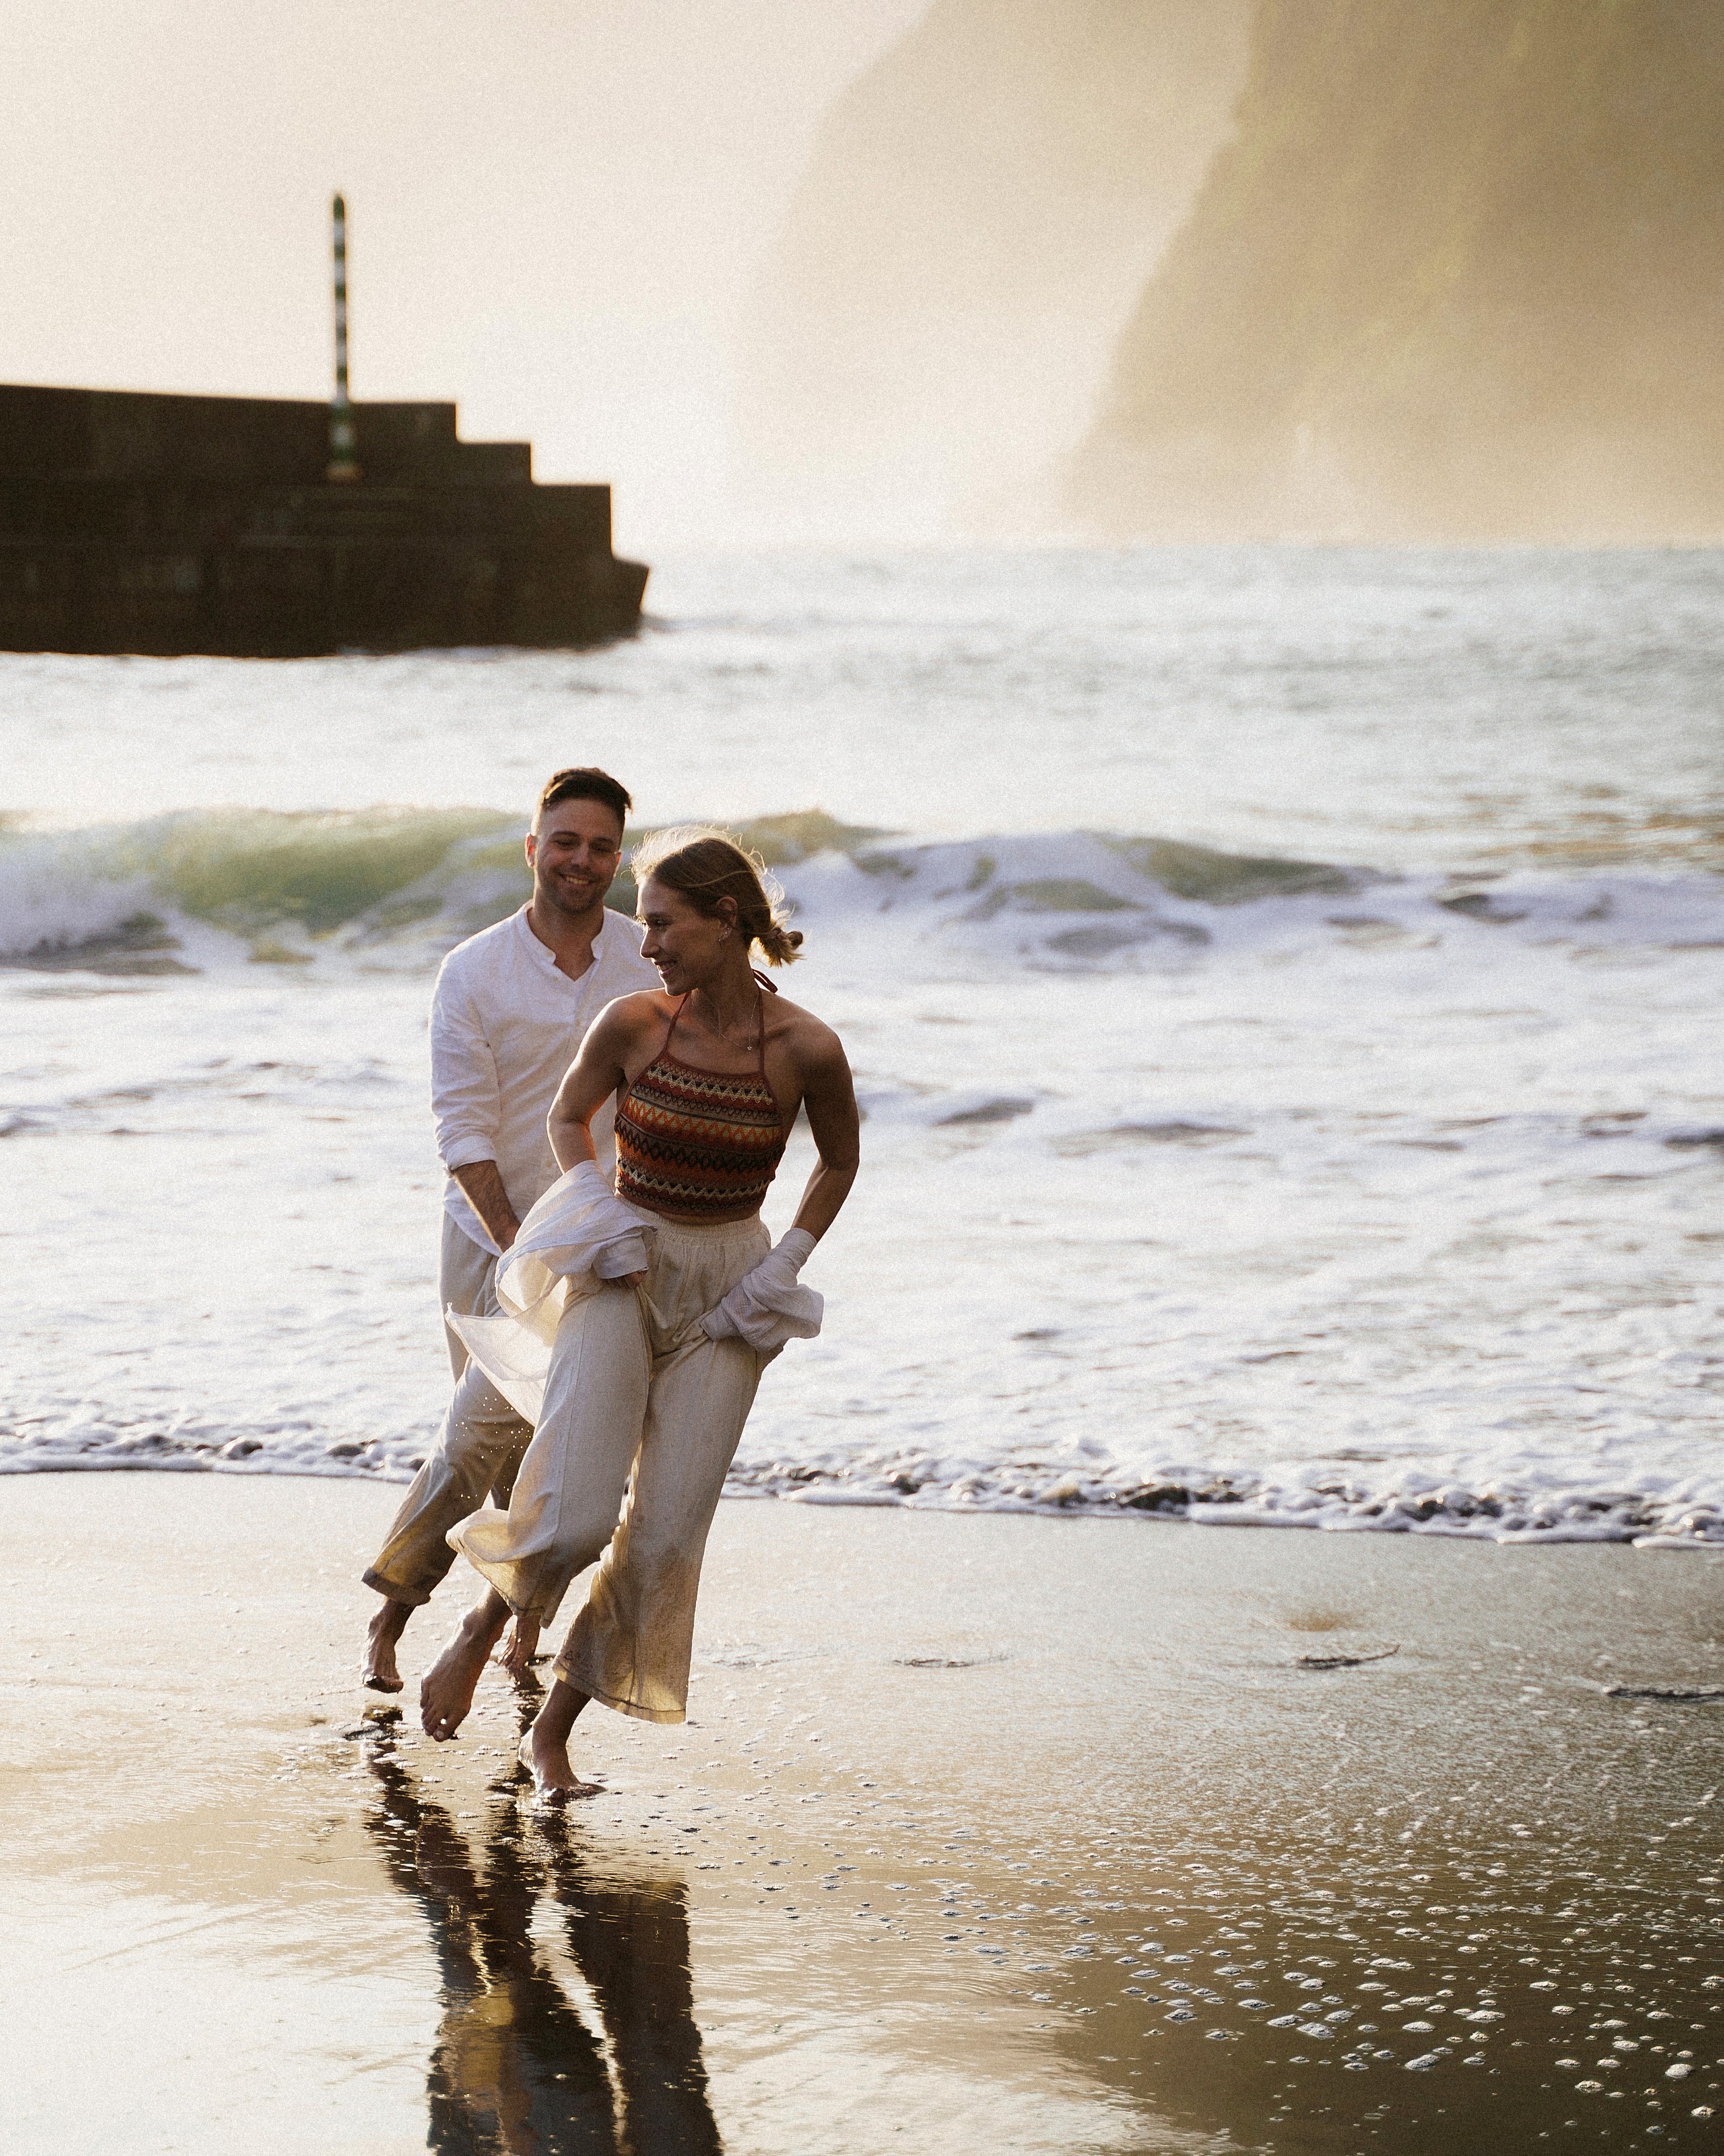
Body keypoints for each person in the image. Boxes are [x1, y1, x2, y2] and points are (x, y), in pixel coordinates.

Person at [416, 829, 861, 1801]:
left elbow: (839, 1161)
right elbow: (566, 1118)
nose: (645, 943)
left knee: (663, 1540)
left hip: (732, 1295)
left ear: (725, 920)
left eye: (662, 924)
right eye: (644, 924)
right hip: (622, 1268)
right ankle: (479, 1630)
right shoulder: (634, 1022)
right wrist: (599, 1209)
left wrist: (783, 1263)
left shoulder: (808, 1047)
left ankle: (552, 1734)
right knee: (573, 1518)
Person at [360, 766, 659, 1692]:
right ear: (533, 848)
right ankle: (392, 1610)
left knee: (571, 1456)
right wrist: (521, 1248)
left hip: (604, 1243)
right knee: (475, 1449)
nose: (581, 860)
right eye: (565, 842)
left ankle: (520, 1629)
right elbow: (464, 1132)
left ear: (619, 860)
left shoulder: (649, 960)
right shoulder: (474, 969)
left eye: (601, 847)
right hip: (488, 1240)